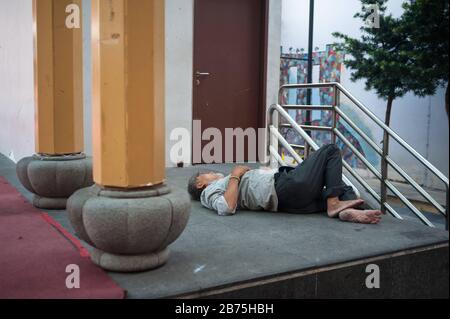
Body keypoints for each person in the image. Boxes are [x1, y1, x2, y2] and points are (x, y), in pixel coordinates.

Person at [187, 144, 383, 224]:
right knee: (330, 150)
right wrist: (236, 175)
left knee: (341, 187)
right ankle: (334, 205)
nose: (213, 172)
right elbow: (226, 207)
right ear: (199, 184)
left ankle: (343, 211)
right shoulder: (209, 192)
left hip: (289, 202)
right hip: (283, 189)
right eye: (208, 173)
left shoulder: (223, 183)